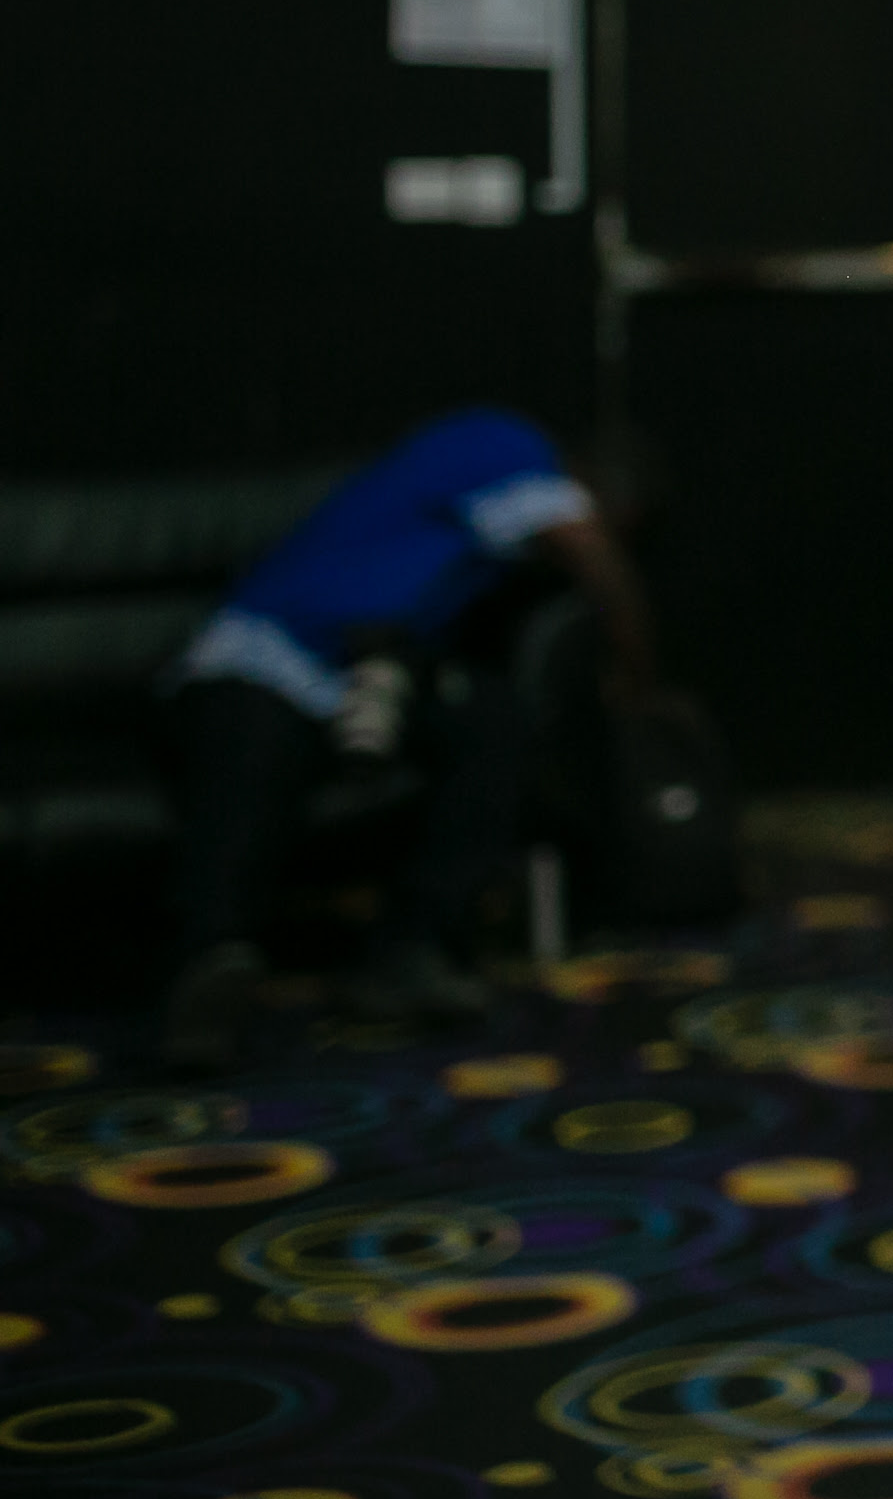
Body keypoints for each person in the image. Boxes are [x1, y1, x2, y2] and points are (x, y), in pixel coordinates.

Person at [159, 406, 661, 1073]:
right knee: (253, 755)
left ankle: (409, 950)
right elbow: (589, 550)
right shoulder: (505, 445)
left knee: (492, 724)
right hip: (268, 653)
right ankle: (209, 968)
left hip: (377, 677)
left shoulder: (485, 538)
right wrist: (639, 680)